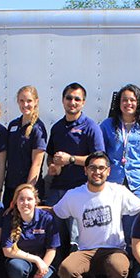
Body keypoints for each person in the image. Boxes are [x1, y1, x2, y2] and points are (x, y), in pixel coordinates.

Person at [53, 151, 140, 278]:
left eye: (101, 168)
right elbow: (54, 211)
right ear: (85, 170)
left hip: (113, 249)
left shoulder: (118, 191)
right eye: (92, 168)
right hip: (86, 251)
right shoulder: (74, 195)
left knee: (119, 269)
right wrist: (30, 209)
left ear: (108, 171)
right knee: (66, 271)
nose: (97, 172)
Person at [45, 83, 105, 260]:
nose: (72, 102)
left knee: (76, 239)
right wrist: (53, 166)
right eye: (69, 98)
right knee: (55, 236)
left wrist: (71, 159)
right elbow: (50, 156)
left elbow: (98, 160)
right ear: (63, 101)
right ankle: (56, 277)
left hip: (81, 190)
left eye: (77, 99)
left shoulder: (91, 127)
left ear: (83, 103)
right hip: (58, 190)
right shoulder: (56, 128)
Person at [101, 84, 140, 201]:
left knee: (137, 218)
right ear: (119, 103)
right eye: (124, 100)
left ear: (139, 103)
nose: (128, 103)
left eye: (132, 100)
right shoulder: (107, 125)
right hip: (113, 182)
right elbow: (99, 153)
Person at [2, 184, 60, 278]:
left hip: (44, 264)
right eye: (21, 199)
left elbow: (51, 250)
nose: (25, 203)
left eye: (29, 199)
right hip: (22, 263)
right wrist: (35, 259)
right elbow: (7, 250)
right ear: (15, 202)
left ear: (36, 202)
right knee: (16, 269)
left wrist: (39, 275)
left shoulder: (47, 218)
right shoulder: (9, 218)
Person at [3, 86, 47, 207]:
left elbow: (37, 164)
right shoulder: (13, 125)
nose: (25, 104)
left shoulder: (38, 128)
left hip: (28, 189)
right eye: (22, 101)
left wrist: (27, 192)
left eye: (29, 101)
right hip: (11, 187)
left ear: (36, 102)